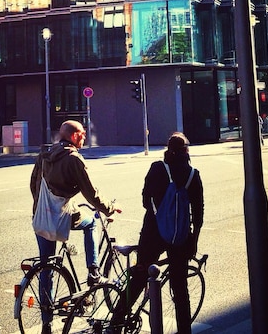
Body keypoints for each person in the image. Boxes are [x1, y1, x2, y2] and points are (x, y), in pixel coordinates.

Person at [113, 132, 203, 334]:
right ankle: (184, 330)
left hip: (153, 233)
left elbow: (145, 200)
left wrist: (160, 212)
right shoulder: (192, 174)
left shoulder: (157, 168)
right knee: (180, 288)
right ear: (186, 150)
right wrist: (193, 241)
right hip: (180, 237)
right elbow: (198, 213)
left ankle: (116, 321)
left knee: (139, 276)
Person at [30, 120, 121, 296]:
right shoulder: (73, 159)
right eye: (82, 135)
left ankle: (46, 320)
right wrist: (110, 208)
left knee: (46, 266)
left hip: (41, 216)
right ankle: (94, 272)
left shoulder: (44, 154)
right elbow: (91, 194)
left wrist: (42, 206)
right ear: (73, 136)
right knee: (92, 224)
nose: (84, 138)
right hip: (63, 214)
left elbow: (34, 183)